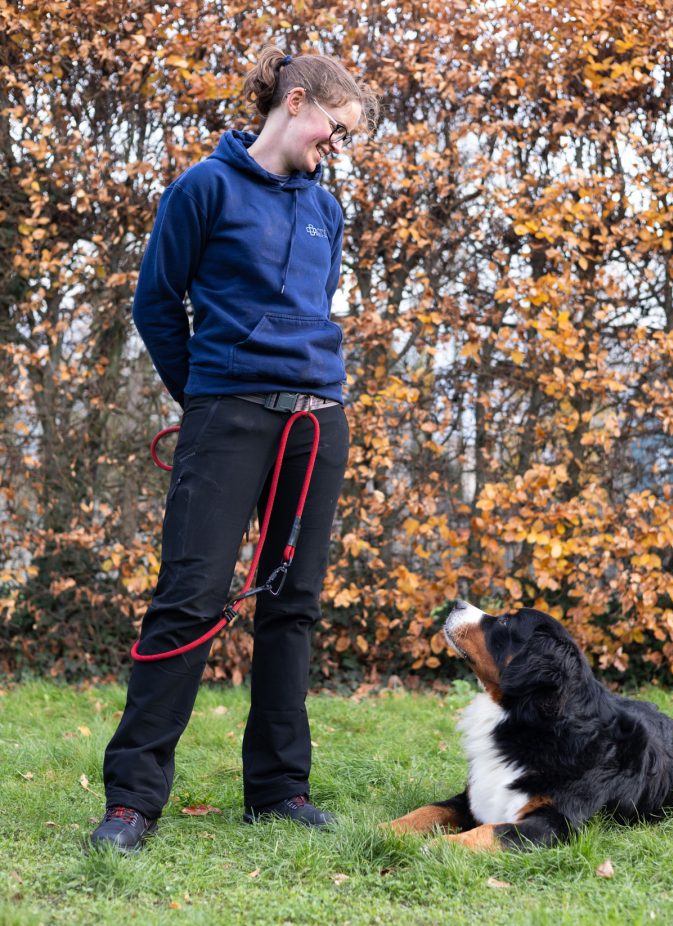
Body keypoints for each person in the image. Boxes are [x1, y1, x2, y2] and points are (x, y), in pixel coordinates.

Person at [90, 46, 378, 851]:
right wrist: (207, 397)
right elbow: (156, 303)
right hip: (228, 419)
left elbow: (314, 307)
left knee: (294, 606)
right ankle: (132, 802)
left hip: (316, 425)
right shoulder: (203, 188)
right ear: (296, 102)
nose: (339, 145)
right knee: (189, 597)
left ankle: (279, 792)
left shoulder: (326, 209)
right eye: (336, 127)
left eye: (349, 137)